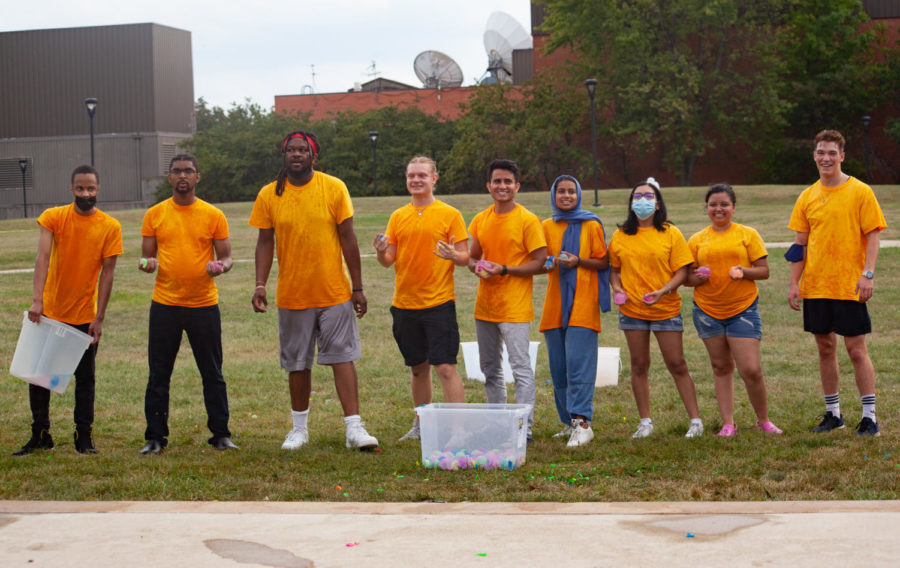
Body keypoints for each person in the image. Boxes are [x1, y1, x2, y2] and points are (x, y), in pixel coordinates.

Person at [250, 130, 378, 451]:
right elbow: (265, 242)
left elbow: (349, 239)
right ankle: (299, 429)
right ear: (284, 156)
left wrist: (358, 287)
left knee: (343, 358)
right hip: (293, 295)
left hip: (334, 292)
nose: (296, 154)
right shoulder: (269, 194)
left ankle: (354, 428)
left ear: (313, 156)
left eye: (302, 150)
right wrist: (260, 283)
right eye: (290, 150)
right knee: (297, 363)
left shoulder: (334, 187)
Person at [13, 165, 122, 456]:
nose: (86, 193)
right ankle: (41, 434)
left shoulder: (110, 226)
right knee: (40, 375)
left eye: (91, 188)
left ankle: (83, 437)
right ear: (72, 189)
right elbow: (43, 257)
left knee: (85, 379)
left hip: (84, 316)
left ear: (98, 190)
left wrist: (99, 317)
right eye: (80, 188)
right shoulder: (54, 217)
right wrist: (38, 301)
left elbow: (108, 274)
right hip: (49, 312)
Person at [787, 129, 886, 436]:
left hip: (849, 285)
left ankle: (869, 417)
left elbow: (873, 234)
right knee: (825, 348)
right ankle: (834, 415)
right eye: (821, 152)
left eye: (832, 153)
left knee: (856, 350)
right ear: (814, 156)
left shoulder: (860, 192)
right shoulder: (807, 196)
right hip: (816, 286)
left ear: (842, 156)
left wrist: (867, 273)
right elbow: (799, 245)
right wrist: (794, 283)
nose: (826, 158)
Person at [138, 154, 236, 454]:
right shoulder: (155, 214)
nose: (183, 176)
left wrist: (220, 267)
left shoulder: (213, 214)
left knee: (212, 373)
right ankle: (155, 438)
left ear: (197, 177)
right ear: (169, 177)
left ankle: (221, 435)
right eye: (177, 171)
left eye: (188, 171)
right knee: (158, 374)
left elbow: (227, 257)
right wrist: (147, 264)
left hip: (203, 304)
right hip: (165, 304)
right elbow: (145, 257)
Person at [374, 156, 468, 442]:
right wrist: (380, 250)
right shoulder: (398, 216)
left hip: (439, 303)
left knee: (445, 367)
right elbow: (388, 260)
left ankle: (458, 431)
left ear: (434, 178)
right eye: (411, 176)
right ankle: (421, 423)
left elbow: (465, 257)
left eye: (422, 176)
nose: (416, 180)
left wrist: (454, 256)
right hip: (405, 305)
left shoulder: (450, 214)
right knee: (418, 369)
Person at [608, 177, 703, 439]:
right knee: (639, 365)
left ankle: (695, 421)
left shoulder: (671, 233)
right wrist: (617, 289)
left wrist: (664, 291)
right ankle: (645, 423)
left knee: (677, 364)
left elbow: (683, 271)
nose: (642, 201)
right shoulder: (620, 235)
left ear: (658, 204)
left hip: (666, 309)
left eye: (648, 197)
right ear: (630, 203)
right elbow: (614, 271)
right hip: (632, 312)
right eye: (637, 197)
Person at [685, 184, 782, 437]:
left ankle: (763, 420)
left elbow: (764, 271)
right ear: (706, 208)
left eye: (724, 204)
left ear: (734, 207)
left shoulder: (747, 234)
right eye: (713, 204)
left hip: (743, 309)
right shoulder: (697, 239)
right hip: (707, 311)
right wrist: (698, 277)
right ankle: (728, 423)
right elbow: (686, 278)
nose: (719, 209)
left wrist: (743, 272)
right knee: (720, 367)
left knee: (750, 369)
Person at [467, 158, 547, 441]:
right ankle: (496, 421)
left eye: (507, 182)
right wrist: (478, 267)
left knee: (520, 368)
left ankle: (524, 426)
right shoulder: (481, 219)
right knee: (490, 369)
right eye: (497, 181)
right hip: (485, 307)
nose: (502, 186)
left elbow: (540, 262)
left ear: (517, 186)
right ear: (489, 186)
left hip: (515, 307)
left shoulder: (528, 220)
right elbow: (473, 258)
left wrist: (504, 269)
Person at [539, 175, 609, 447]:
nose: (566, 195)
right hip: (555, 304)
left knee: (578, 365)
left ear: (579, 194)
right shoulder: (546, 225)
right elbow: (540, 257)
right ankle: (569, 421)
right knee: (558, 367)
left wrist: (579, 261)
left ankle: (583, 422)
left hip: (582, 303)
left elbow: (603, 261)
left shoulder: (591, 224)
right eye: (561, 191)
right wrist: (546, 262)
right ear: (553, 195)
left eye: (571, 191)